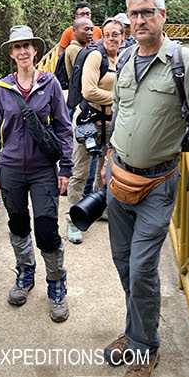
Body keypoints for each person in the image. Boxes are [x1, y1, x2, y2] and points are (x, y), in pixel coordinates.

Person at [101, 0, 189, 377]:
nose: (140, 20)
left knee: (142, 267)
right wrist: (110, 156)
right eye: (134, 14)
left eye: (147, 12)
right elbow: (122, 112)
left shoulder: (184, 61)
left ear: (162, 15)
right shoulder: (124, 58)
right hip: (119, 179)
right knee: (123, 263)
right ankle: (134, 331)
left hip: (158, 185)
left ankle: (145, 348)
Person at [0, 25, 76, 323]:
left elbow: (64, 127)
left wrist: (65, 167)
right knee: (18, 224)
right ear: (11, 54)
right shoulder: (3, 88)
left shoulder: (49, 84)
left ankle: (56, 284)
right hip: (10, 168)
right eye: (17, 47)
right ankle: (25, 274)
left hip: (42, 170)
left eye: (27, 46)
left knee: (47, 230)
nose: (23, 51)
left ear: (36, 50)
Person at [62, 15, 126, 245]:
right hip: (88, 121)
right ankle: (72, 218)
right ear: (103, 36)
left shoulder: (124, 59)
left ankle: (95, 210)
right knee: (80, 172)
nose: (111, 38)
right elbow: (88, 91)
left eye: (115, 34)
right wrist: (118, 98)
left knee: (104, 170)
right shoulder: (95, 57)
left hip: (112, 123)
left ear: (123, 36)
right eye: (107, 34)